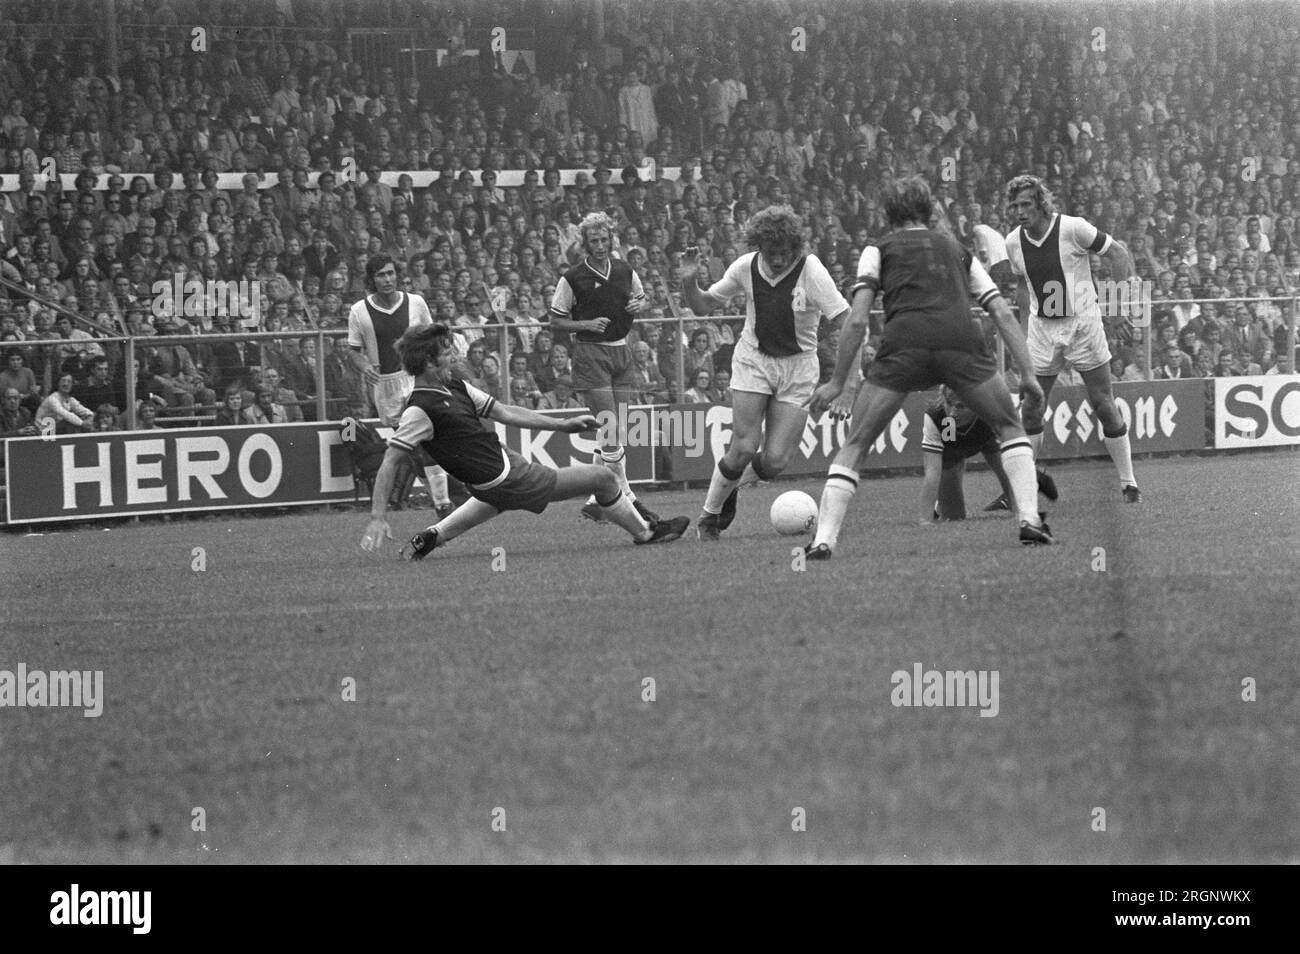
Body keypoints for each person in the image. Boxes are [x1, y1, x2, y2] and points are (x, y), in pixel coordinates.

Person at [805, 177, 1051, 558]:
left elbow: (855, 321)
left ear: (889, 213)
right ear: (928, 210)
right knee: (1009, 427)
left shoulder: (878, 249)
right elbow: (1000, 309)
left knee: (856, 443)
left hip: (904, 344)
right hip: (961, 342)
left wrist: (839, 382)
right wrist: (1029, 375)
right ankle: (1030, 521)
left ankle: (823, 541)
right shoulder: (956, 248)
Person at [359, 324, 690, 560]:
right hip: (504, 478)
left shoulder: (455, 386)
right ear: (429, 363)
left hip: (500, 468)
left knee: (494, 498)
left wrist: (563, 425)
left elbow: (504, 411)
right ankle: (646, 533)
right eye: (448, 353)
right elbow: (391, 460)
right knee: (603, 478)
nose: (455, 358)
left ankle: (435, 535)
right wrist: (377, 516)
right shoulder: (419, 410)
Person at [678, 204, 850, 540]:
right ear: (759, 247)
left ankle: (730, 488)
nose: (777, 260)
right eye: (770, 252)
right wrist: (688, 283)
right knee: (743, 447)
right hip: (753, 359)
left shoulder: (811, 270)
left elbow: (847, 323)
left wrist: (843, 383)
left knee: (774, 463)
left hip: (799, 367)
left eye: (784, 252)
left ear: (796, 248)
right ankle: (709, 518)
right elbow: (701, 306)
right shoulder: (745, 267)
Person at [1003, 174, 1141, 502]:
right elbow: (1023, 288)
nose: (1020, 211)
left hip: (1083, 325)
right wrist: (1023, 335)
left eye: (1027, 204)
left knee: (1103, 405)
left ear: (1041, 203)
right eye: (1015, 206)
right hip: (1042, 330)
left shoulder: (1072, 228)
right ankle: (1018, 491)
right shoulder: (1013, 242)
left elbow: (1119, 255)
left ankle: (1128, 482)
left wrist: (1118, 310)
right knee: (1032, 407)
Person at [547, 211, 658, 525]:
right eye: (593, 240)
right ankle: (626, 495)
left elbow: (641, 297)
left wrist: (641, 304)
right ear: (584, 243)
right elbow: (555, 319)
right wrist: (586, 323)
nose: (599, 245)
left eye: (604, 239)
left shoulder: (624, 269)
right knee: (609, 427)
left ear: (612, 240)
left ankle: (597, 500)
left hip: (621, 351)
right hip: (590, 353)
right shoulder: (572, 277)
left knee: (617, 429)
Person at [347, 253, 454, 517]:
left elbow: (433, 339)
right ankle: (439, 500)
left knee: (429, 439)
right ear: (372, 280)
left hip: (416, 379)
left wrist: (442, 368)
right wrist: (364, 367)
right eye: (381, 275)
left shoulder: (416, 303)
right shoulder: (359, 311)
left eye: (391, 273)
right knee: (413, 449)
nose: (387, 279)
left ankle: (443, 503)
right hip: (387, 387)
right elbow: (352, 351)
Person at [921, 386, 1058, 522]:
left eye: (960, 406)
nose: (951, 413)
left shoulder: (994, 408)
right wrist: (925, 520)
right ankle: (1032, 474)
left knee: (1016, 497)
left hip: (990, 439)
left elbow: (1018, 443)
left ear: (976, 403)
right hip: (953, 447)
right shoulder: (936, 417)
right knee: (953, 517)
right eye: (949, 404)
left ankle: (1031, 475)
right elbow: (932, 471)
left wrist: (1021, 471)